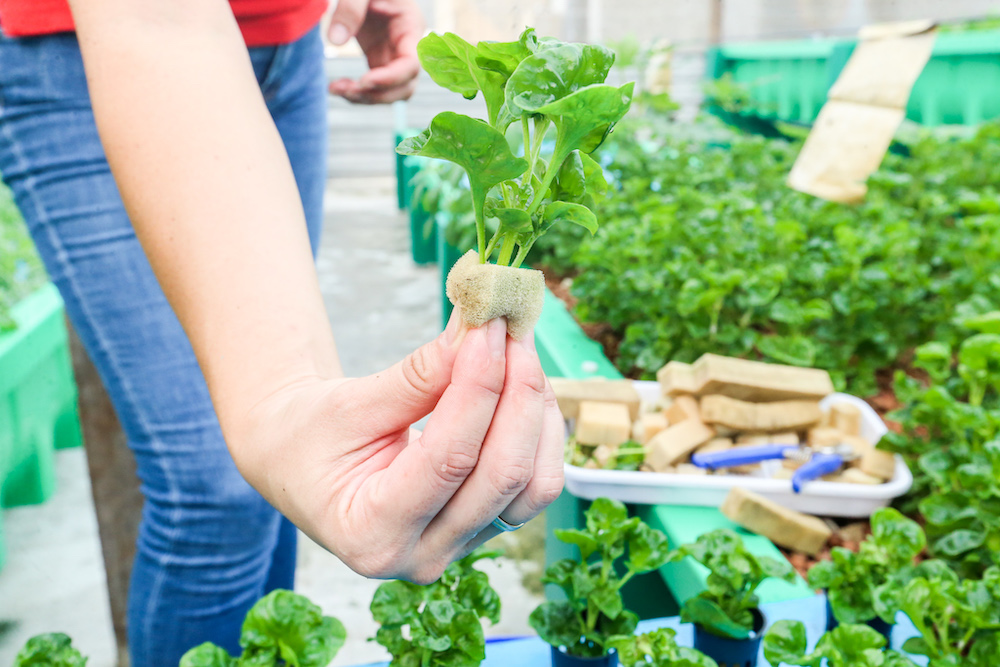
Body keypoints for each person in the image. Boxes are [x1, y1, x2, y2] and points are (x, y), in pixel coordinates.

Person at [0, 1, 564, 665]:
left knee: (277, 491)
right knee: (219, 489)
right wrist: (278, 397)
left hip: (287, 42)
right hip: (104, 48)